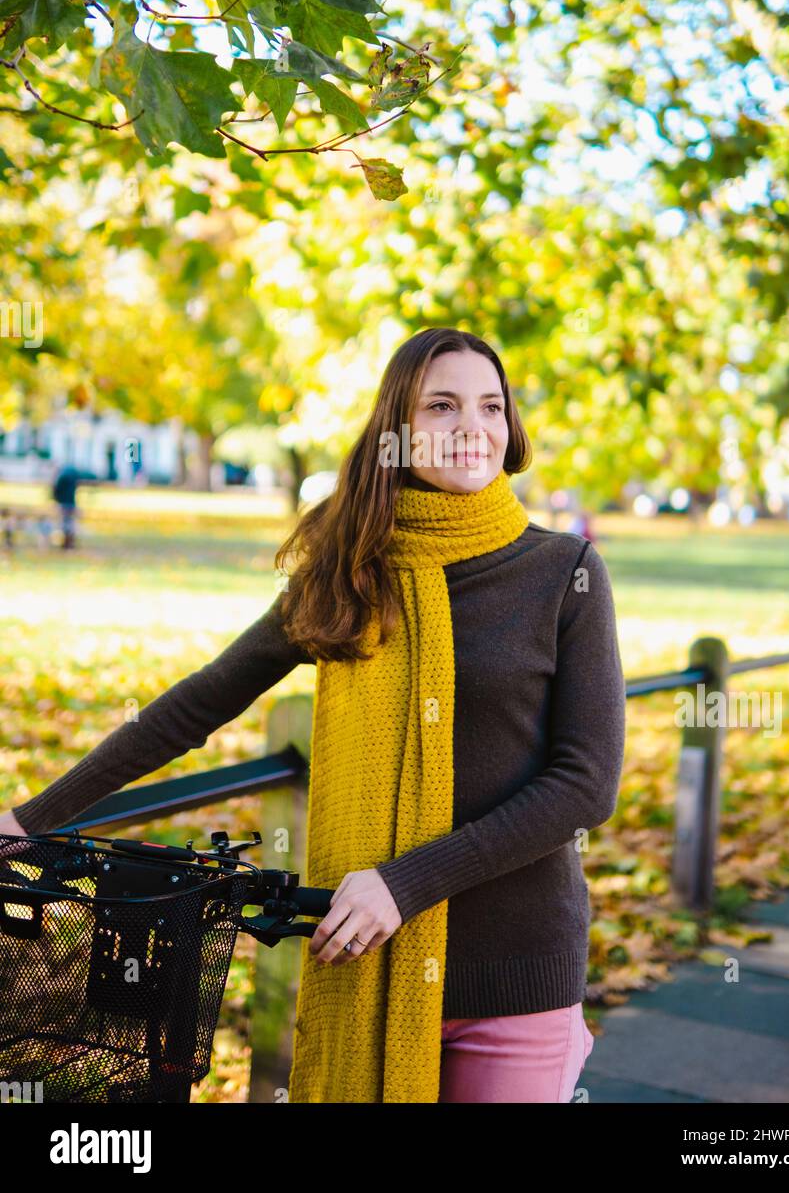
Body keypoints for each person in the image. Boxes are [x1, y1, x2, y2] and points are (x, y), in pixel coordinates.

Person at [0, 327, 626, 1104]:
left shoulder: (563, 573)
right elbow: (201, 701)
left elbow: (586, 783)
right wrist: (31, 818)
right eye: (443, 405)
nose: (474, 426)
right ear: (395, 431)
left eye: (491, 406)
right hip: (361, 953)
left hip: (512, 968)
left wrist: (403, 885)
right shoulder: (345, 574)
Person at [51, 464, 80, 549]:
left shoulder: (61, 477)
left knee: (65, 524)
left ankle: (67, 543)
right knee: (69, 523)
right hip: (71, 503)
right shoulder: (71, 476)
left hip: (64, 504)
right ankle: (69, 543)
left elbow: (56, 490)